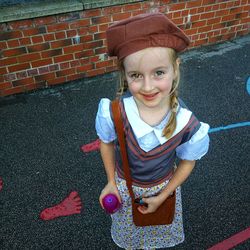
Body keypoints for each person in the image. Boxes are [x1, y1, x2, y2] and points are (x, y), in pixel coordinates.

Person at [95, 13, 210, 249]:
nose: (148, 87)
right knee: (132, 235)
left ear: (175, 69)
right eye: (136, 75)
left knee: (157, 232)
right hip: (124, 187)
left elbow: (188, 161)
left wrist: (163, 195)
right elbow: (106, 142)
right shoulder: (115, 112)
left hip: (162, 190)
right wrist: (110, 182)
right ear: (125, 75)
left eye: (159, 72)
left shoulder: (186, 123)